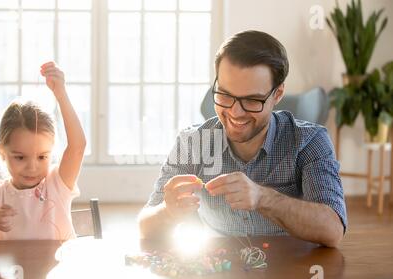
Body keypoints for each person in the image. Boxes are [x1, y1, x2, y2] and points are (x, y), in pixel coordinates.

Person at [138, 30, 347, 247]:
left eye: (252, 100)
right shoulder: (193, 142)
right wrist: (167, 212)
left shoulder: (310, 141)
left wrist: (262, 198)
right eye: (225, 95)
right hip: (219, 270)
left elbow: (333, 230)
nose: (236, 113)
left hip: (293, 269)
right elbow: (145, 227)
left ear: (278, 94)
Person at [0, 62, 86, 242]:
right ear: (2, 152)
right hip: (13, 271)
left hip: (58, 271)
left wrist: (61, 94)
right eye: (20, 157)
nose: (32, 167)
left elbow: (77, 147)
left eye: (42, 156)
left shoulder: (57, 183)